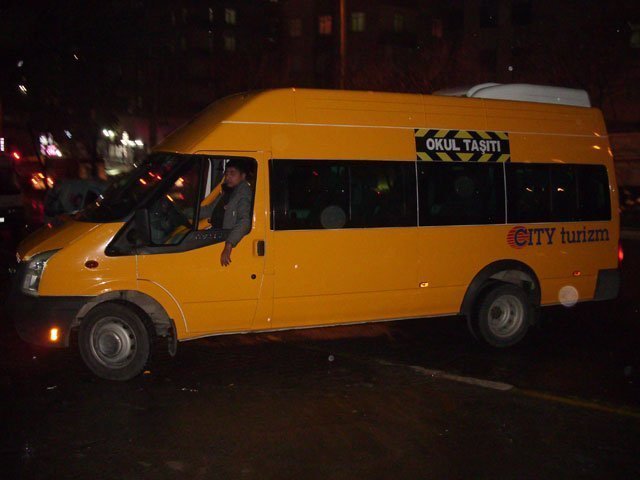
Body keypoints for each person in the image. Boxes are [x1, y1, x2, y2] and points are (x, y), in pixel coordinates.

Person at [209, 159, 252, 266]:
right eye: (226, 174)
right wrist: (187, 212)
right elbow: (210, 209)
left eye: (232, 173)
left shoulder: (243, 193)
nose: (228, 177)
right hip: (216, 235)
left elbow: (244, 221)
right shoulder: (229, 191)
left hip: (225, 239)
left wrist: (229, 245)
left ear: (243, 176)